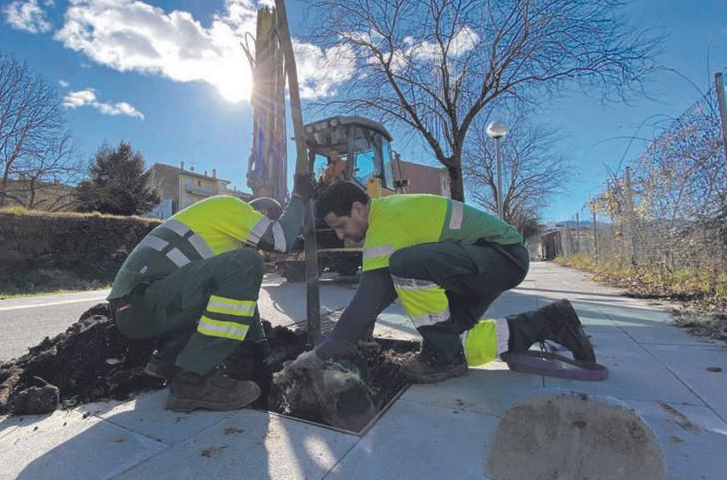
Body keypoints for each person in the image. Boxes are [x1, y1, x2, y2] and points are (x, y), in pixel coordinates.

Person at [291, 181, 596, 383]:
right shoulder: (387, 215)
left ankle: (444, 356)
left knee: (404, 265)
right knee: (458, 342)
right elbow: (374, 297)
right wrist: (357, 328)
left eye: (341, 226)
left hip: (501, 256)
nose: (342, 236)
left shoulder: (386, 219)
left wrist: (324, 350)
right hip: (482, 261)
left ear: (359, 208)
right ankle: (552, 322)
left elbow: (373, 292)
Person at [107, 174, 316, 411]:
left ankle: (166, 359)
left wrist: (261, 349)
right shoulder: (229, 206)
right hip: (141, 302)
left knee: (234, 278)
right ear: (258, 217)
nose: (259, 245)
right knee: (248, 262)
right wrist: (299, 197)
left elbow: (240, 303)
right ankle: (191, 380)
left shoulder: (219, 237)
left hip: (136, 307)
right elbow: (280, 239)